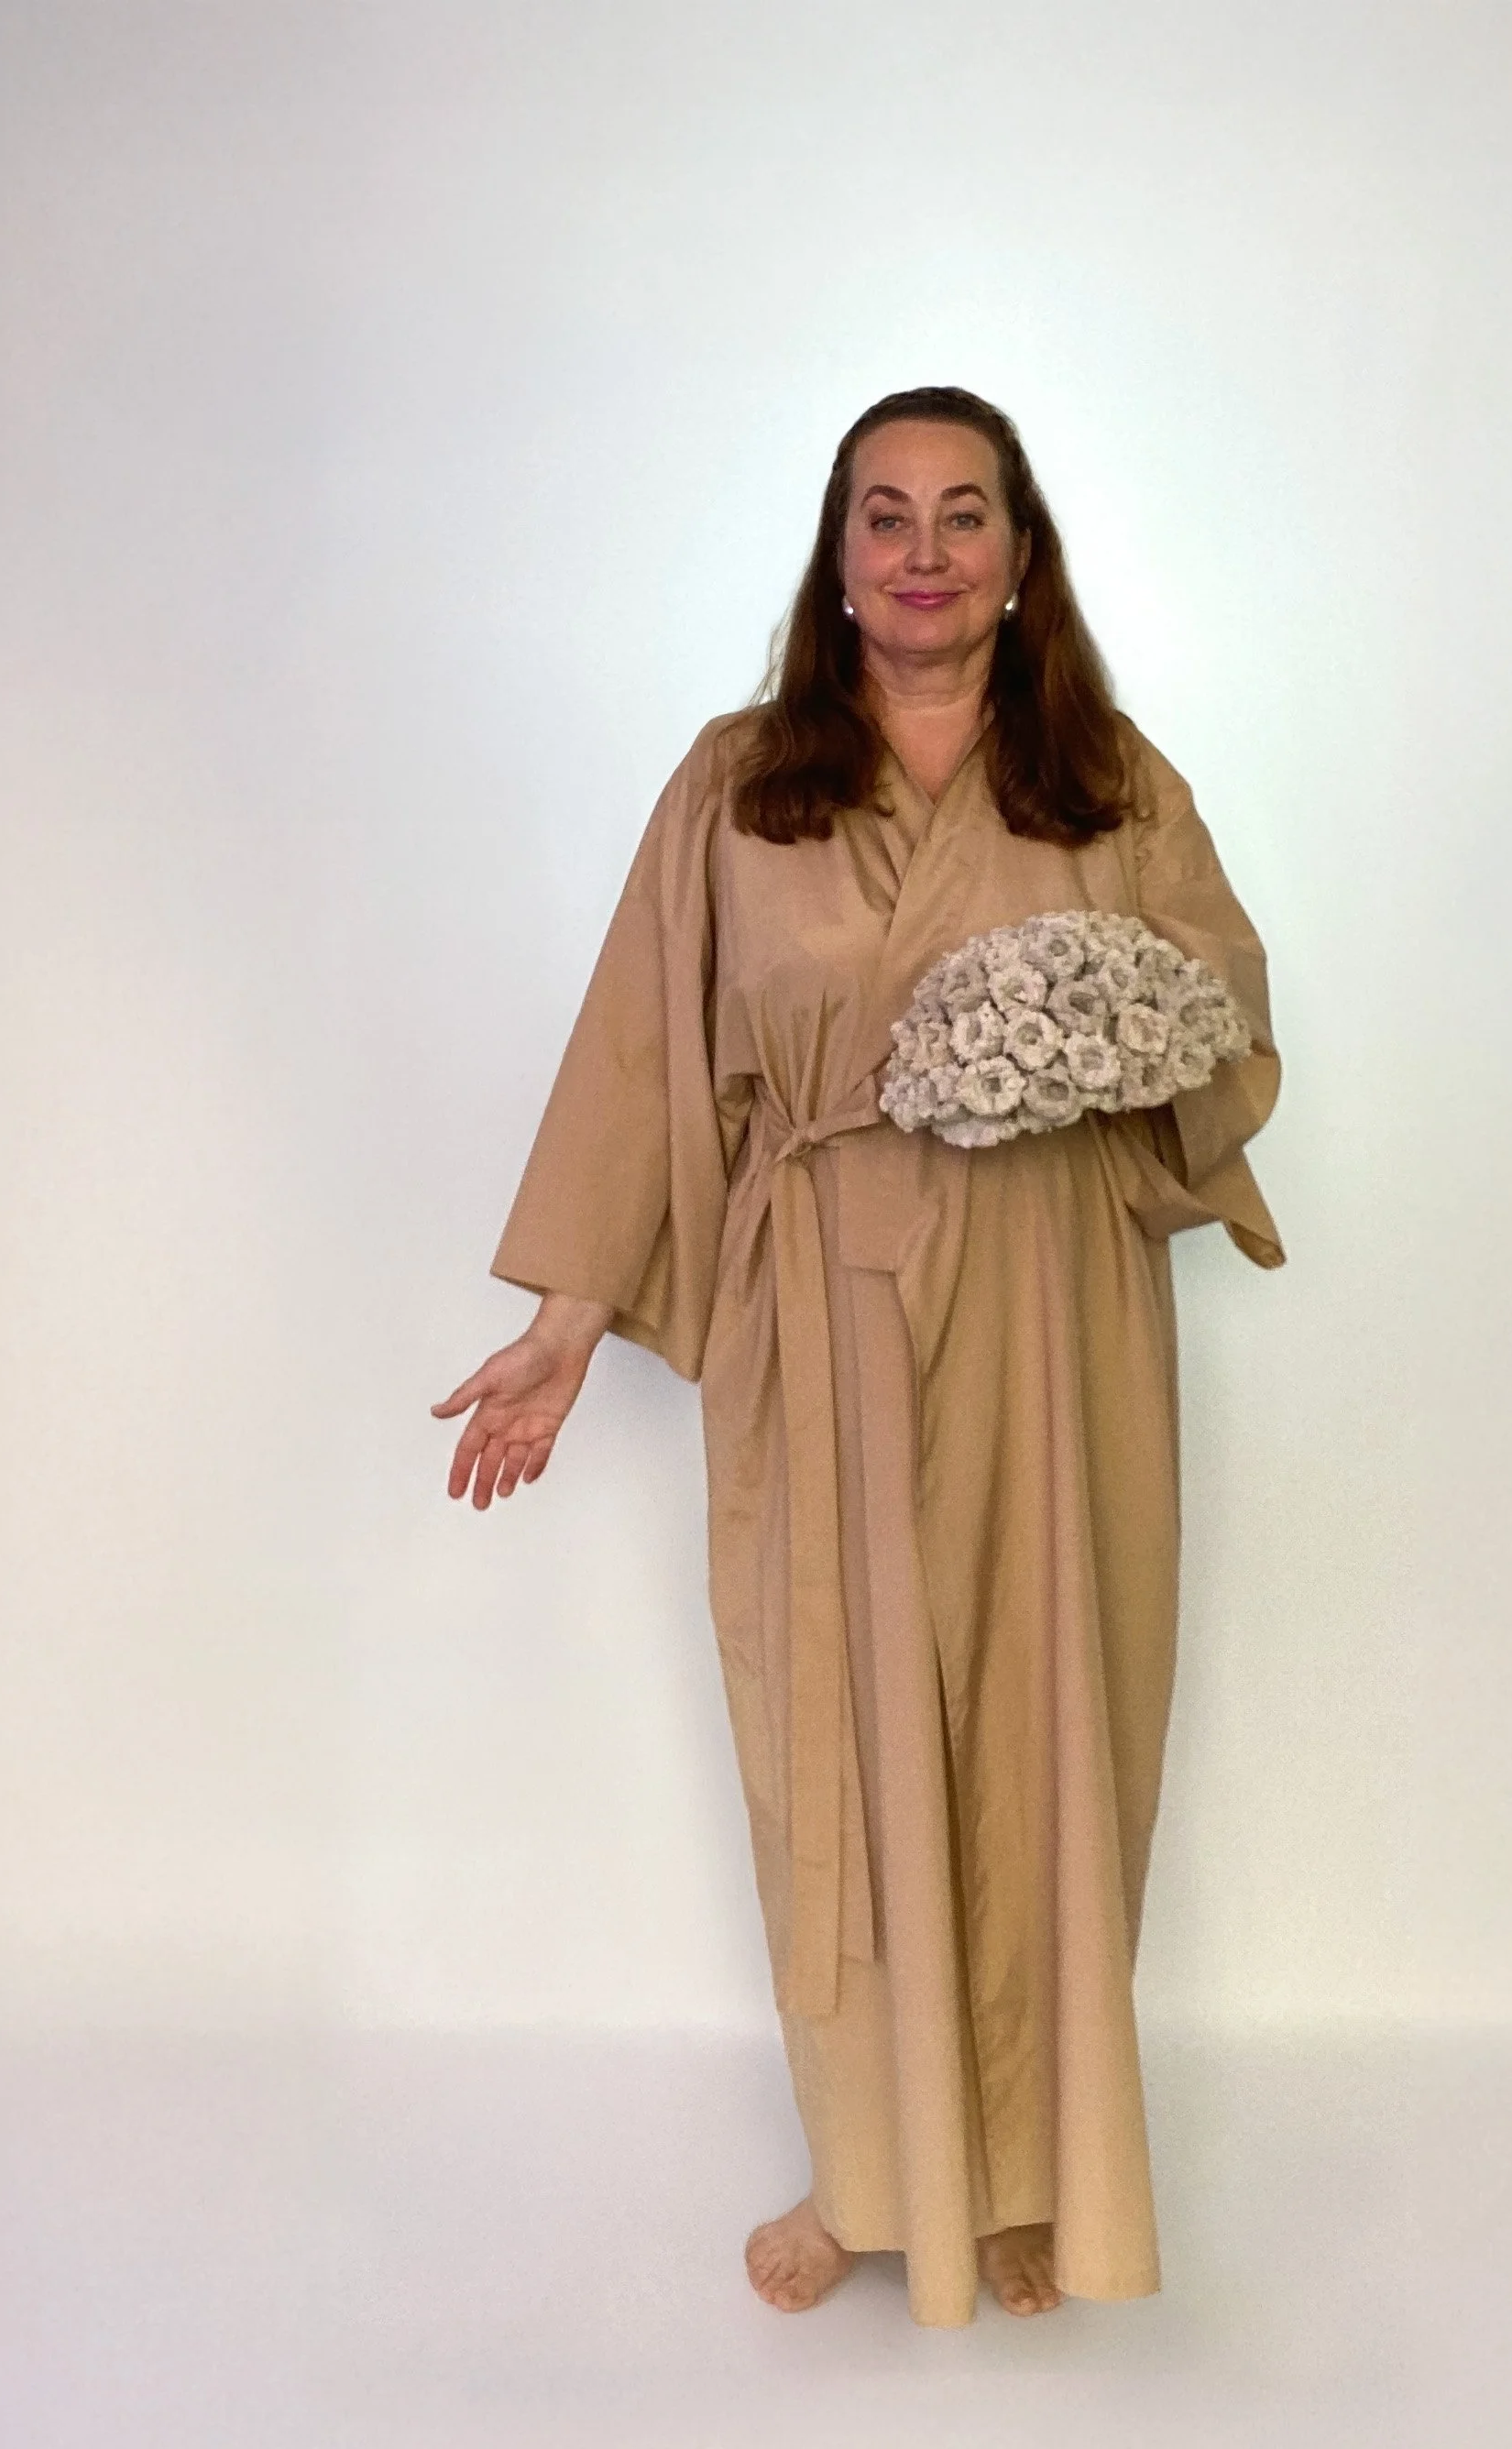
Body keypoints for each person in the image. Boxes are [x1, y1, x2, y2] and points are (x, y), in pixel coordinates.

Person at [433, 385, 1284, 2329]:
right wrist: (571, 1315)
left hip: (1052, 1313)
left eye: (960, 515)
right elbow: (645, 1047)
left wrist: (1123, 1031)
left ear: (1017, 561)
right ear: (836, 562)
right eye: (881, 515)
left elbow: (1223, 1009)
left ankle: (1022, 2179)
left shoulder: (1109, 782)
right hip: (819, 1302)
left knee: (1042, 1719)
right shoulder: (741, 786)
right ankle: (867, 2172)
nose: (920, 550)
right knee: (835, 1734)